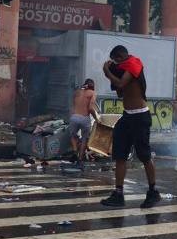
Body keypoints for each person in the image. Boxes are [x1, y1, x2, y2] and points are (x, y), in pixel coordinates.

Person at [100, 45, 160, 208]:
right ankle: (118, 193)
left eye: (115, 61)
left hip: (140, 116)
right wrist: (113, 72)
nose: (115, 64)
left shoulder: (134, 64)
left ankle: (153, 191)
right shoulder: (124, 67)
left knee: (144, 155)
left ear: (120, 57)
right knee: (119, 154)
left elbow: (120, 83)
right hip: (127, 116)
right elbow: (121, 91)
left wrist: (108, 72)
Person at [69, 79, 98, 163]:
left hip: (74, 117)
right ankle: (80, 158)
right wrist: (96, 118)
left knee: (73, 136)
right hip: (85, 118)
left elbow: (73, 106)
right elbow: (90, 108)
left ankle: (75, 151)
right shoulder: (92, 93)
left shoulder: (77, 92)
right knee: (85, 138)